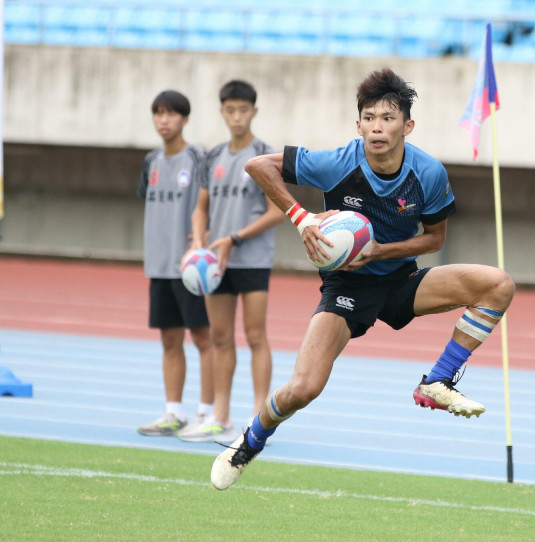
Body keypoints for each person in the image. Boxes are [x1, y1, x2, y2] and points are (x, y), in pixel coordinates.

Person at [211, 68, 515, 490]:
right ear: (358, 126)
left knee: (498, 285)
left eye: (388, 118)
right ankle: (250, 441)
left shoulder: (428, 173)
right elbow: (258, 165)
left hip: (400, 282)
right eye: (369, 118)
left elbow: (435, 239)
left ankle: (439, 380)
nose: (377, 127)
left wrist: (379, 251)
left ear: (407, 126)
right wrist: (302, 220)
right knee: (302, 389)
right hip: (346, 289)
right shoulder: (338, 162)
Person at [177, 80, 285, 444]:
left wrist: (235, 238)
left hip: (251, 259)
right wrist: (197, 239)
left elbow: (277, 211)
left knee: (256, 336)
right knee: (220, 337)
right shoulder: (213, 156)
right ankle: (220, 416)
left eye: (243, 110)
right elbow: (200, 208)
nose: (237, 116)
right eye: (230, 110)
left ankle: (259, 420)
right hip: (214, 265)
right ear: (222, 112)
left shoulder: (265, 155)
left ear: (253, 112)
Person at [136, 90, 214, 437]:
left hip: (190, 267)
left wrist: (204, 236)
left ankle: (208, 412)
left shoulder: (198, 158)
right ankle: (173, 412)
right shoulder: (151, 161)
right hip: (159, 264)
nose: (163, 120)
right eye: (158, 113)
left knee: (203, 338)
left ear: (184, 118)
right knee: (170, 341)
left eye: (170, 114)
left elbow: (211, 203)